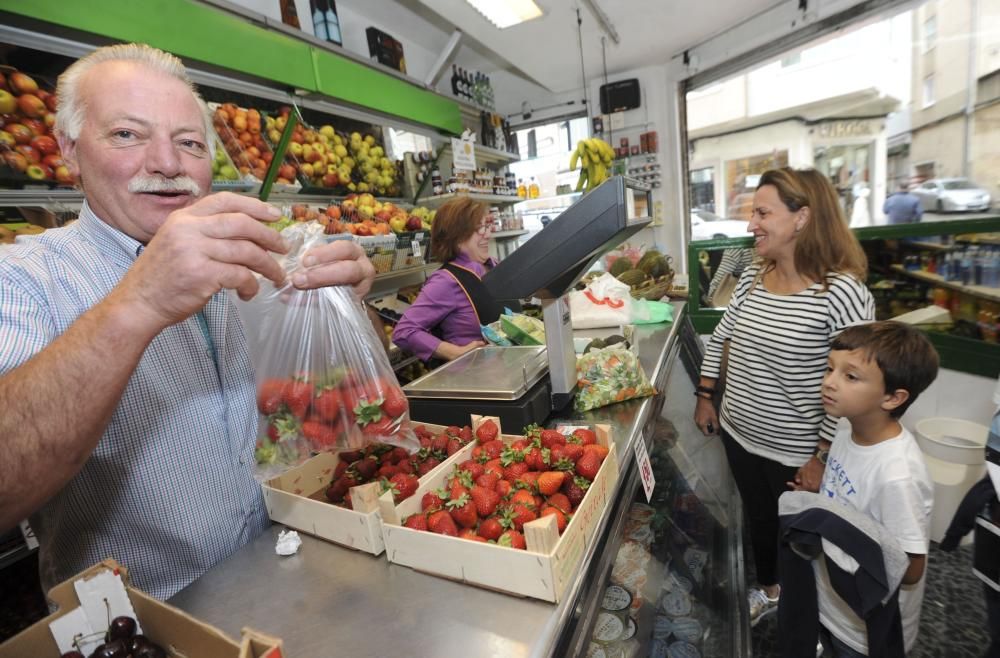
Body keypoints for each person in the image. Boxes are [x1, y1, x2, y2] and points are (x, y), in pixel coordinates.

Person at [0, 43, 375, 599]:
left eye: (189, 143)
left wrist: (346, 311)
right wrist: (140, 302)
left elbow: (338, 405)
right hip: (154, 623)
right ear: (69, 152)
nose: (168, 164)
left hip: (301, 574)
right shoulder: (24, 278)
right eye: (127, 135)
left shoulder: (254, 258)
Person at [694, 167, 875, 627]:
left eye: (762, 212)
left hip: (796, 454)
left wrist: (823, 456)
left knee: (803, 541)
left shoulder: (842, 293)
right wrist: (706, 395)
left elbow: (855, 384)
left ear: (801, 218)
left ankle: (808, 616)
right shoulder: (755, 276)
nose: (751, 224)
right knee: (759, 520)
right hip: (739, 434)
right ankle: (770, 591)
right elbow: (720, 339)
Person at [802, 321, 938, 656]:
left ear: (893, 397)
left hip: (864, 629)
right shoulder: (848, 429)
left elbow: (910, 571)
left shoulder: (897, 476)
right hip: (832, 602)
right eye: (830, 368)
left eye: (850, 376)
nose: (829, 383)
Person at [393, 198, 517, 362]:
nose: (488, 234)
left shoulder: (495, 265)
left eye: (486, 226)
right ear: (457, 237)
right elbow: (404, 331)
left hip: (515, 373)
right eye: (479, 229)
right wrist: (454, 352)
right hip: (479, 380)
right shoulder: (446, 281)